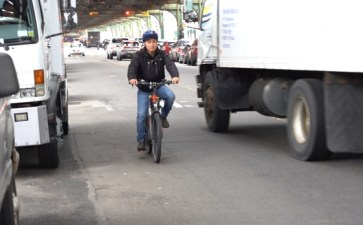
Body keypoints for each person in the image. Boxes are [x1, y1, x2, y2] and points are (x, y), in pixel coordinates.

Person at [128, 30, 180, 151]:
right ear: (145, 43)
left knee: (170, 96)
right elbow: (132, 68)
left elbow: (170, 64)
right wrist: (132, 78)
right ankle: (141, 139)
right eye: (149, 42)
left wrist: (175, 76)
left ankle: (163, 117)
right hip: (144, 87)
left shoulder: (162, 54)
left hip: (159, 85)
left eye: (154, 42)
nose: (152, 44)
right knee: (141, 115)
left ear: (157, 42)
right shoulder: (138, 55)